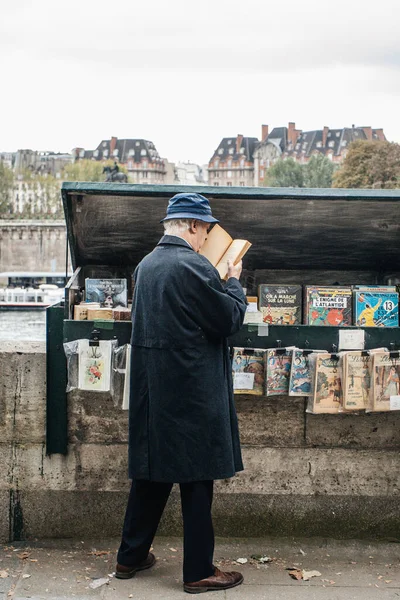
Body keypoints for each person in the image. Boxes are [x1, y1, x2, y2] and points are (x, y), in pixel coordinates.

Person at [116, 192, 247, 594]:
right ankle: (198, 571)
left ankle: (130, 556)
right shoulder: (193, 266)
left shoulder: (148, 264)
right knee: (197, 478)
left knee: (152, 474)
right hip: (191, 390)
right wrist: (234, 280)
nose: (207, 236)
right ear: (192, 225)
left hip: (154, 389)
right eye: (206, 228)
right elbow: (227, 320)